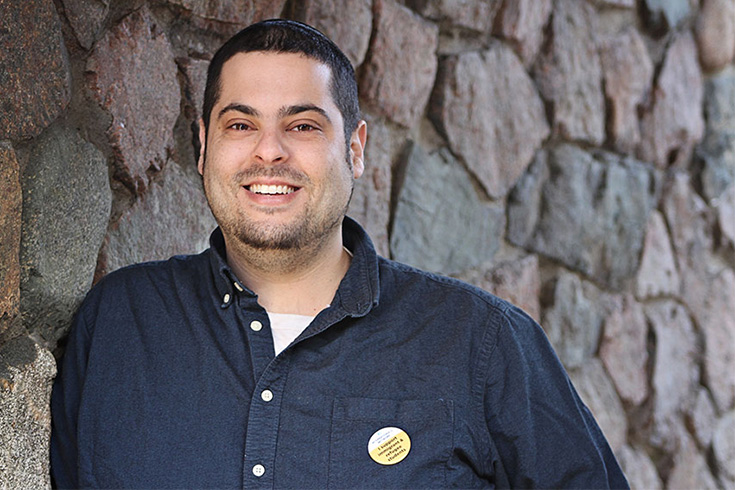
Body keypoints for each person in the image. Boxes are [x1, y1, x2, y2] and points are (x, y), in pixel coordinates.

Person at [50, 19, 629, 489]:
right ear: (203, 147)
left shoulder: (481, 343)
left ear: (354, 150)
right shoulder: (119, 324)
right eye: (240, 124)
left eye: (302, 125)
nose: (268, 152)